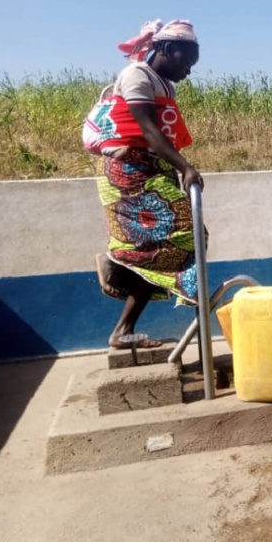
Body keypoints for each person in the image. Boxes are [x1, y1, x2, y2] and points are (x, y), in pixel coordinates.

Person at [89, 19, 204, 349]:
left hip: (152, 169)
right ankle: (115, 262)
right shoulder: (137, 75)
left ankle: (122, 331)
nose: (188, 71)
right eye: (186, 62)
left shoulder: (165, 84)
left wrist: (176, 166)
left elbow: (164, 136)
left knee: (158, 246)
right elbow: (149, 130)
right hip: (128, 169)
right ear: (168, 49)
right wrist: (186, 168)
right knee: (187, 232)